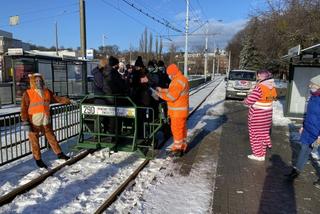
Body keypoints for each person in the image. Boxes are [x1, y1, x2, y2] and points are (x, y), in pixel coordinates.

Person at [21, 73, 71, 168]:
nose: (38, 82)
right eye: (36, 81)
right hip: (33, 122)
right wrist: (25, 121)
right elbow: (24, 108)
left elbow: (57, 98)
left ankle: (59, 153)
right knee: (35, 142)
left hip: (45, 121)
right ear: (33, 82)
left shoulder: (47, 91)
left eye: (40, 81)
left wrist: (68, 100)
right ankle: (38, 159)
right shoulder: (28, 93)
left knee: (52, 138)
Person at [286, 75, 320, 186]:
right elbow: (307, 113)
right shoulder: (312, 96)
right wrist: (303, 125)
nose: (310, 86)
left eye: (313, 85)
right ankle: (296, 171)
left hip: (318, 132)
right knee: (304, 150)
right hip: (309, 129)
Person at [244, 70, 277, 161]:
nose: (257, 78)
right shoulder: (272, 87)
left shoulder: (260, 87)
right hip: (267, 116)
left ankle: (258, 155)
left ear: (262, 77)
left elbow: (249, 101)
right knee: (262, 135)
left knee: (255, 135)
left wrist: (245, 99)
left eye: (258, 76)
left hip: (257, 116)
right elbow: (273, 98)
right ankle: (262, 154)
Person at [156, 64, 189, 155]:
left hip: (177, 112)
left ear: (173, 73)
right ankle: (183, 146)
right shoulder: (180, 79)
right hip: (180, 111)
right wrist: (161, 89)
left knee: (177, 130)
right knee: (182, 130)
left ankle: (177, 150)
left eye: (169, 74)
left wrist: (159, 94)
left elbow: (171, 96)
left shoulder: (178, 81)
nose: (168, 76)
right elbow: (172, 90)